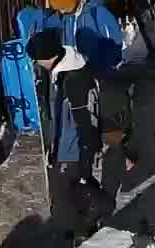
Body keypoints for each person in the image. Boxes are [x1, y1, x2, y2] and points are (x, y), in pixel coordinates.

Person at [27, 29, 114, 241]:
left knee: (68, 200)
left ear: (49, 57)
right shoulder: (71, 71)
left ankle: (82, 235)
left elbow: (86, 122)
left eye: (38, 59)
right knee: (69, 198)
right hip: (67, 149)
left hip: (72, 152)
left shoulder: (73, 81)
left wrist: (85, 159)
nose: (37, 64)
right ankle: (79, 231)